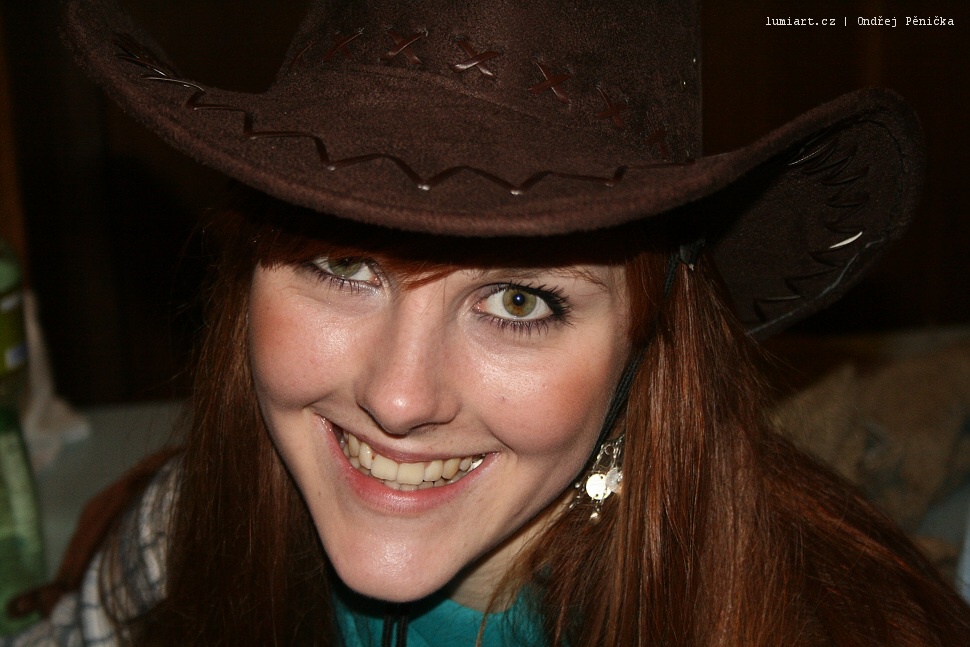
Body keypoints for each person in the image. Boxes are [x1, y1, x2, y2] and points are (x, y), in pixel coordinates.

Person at [6, 0, 970, 645]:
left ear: (649, 340)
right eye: (343, 266)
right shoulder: (185, 528)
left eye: (519, 300)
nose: (398, 399)